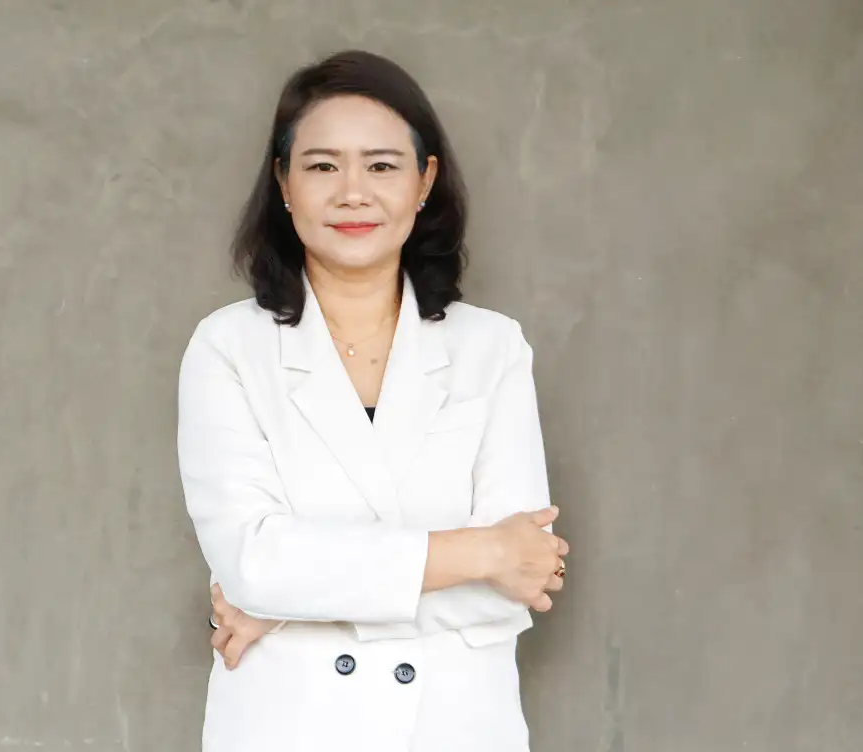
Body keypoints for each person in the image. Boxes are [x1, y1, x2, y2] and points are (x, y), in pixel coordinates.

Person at [176, 49, 570, 752]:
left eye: (382, 166)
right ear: (284, 182)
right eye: (323, 166)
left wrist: (288, 607)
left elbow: (519, 576)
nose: (353, 193)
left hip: (456, 729)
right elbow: (254, 563)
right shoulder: (228, 348)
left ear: (425, 182)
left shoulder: (491, 348)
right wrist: (480, 551)